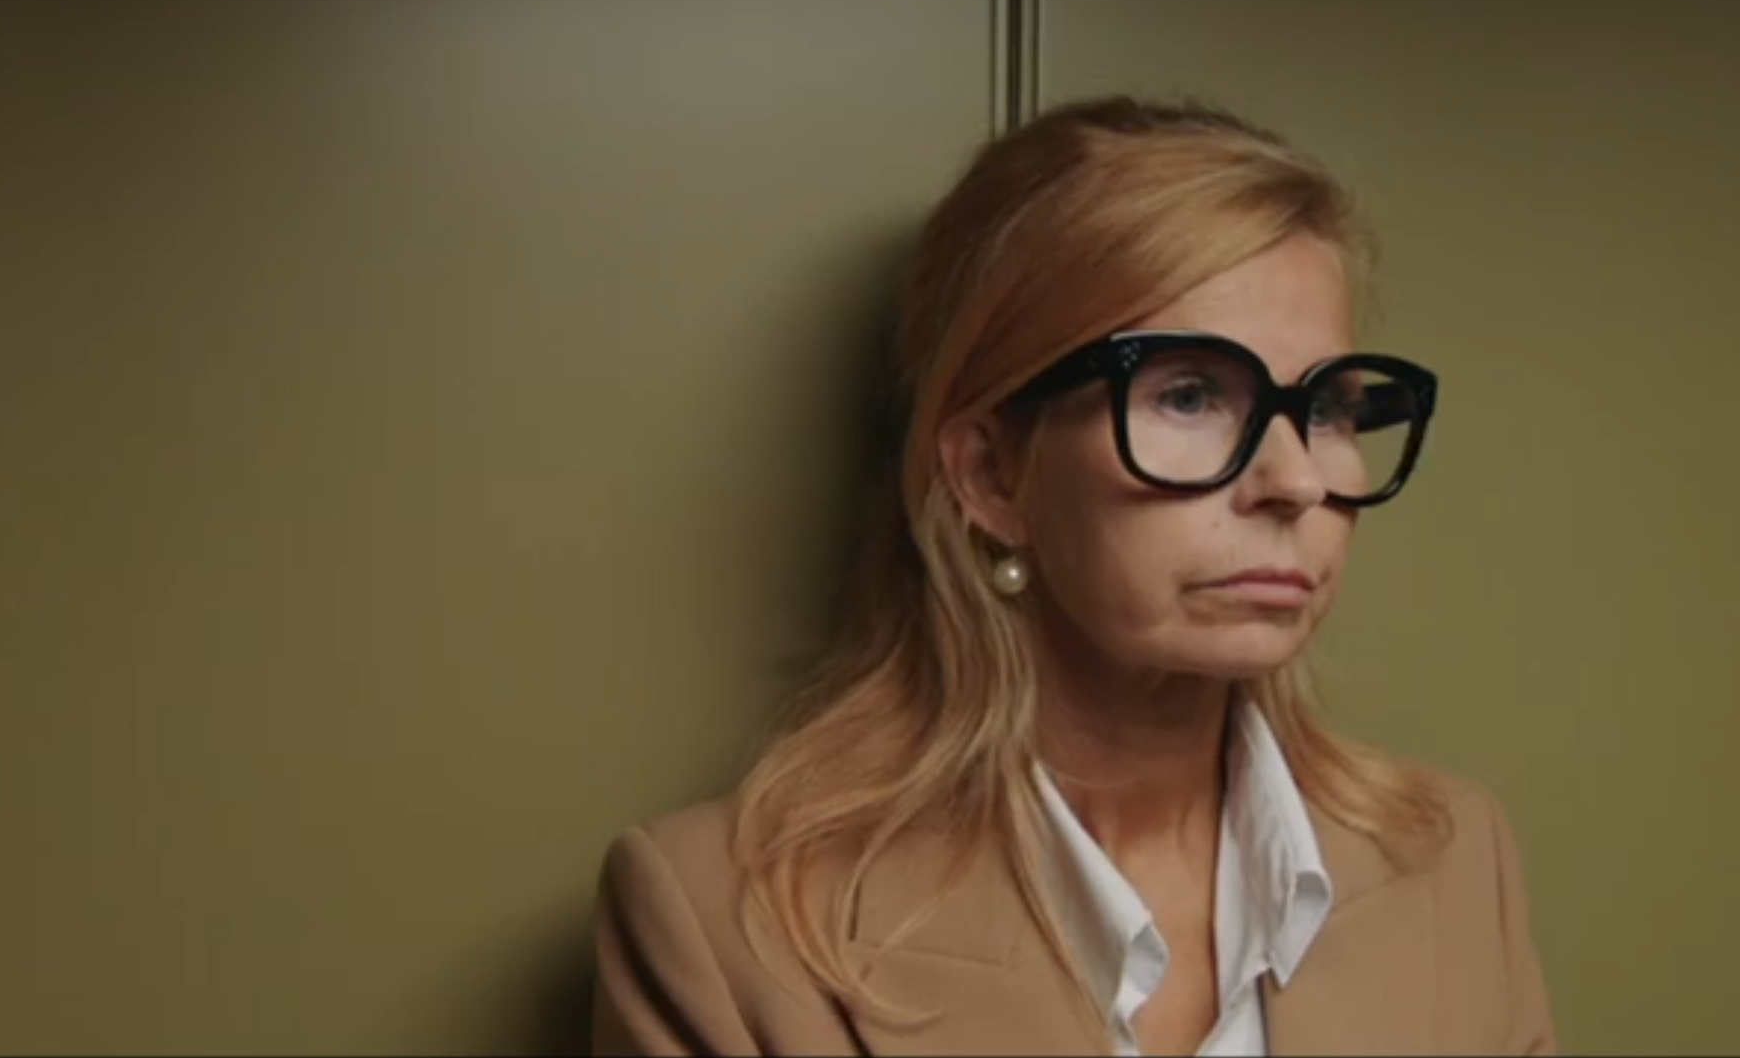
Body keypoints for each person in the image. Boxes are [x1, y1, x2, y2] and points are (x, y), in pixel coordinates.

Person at [590, 96, 1556, 1057]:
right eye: (1189, 394)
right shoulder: (724, 926)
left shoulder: (1455, 865)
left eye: (1332, 407)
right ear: (990, 474)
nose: (1297, 479)